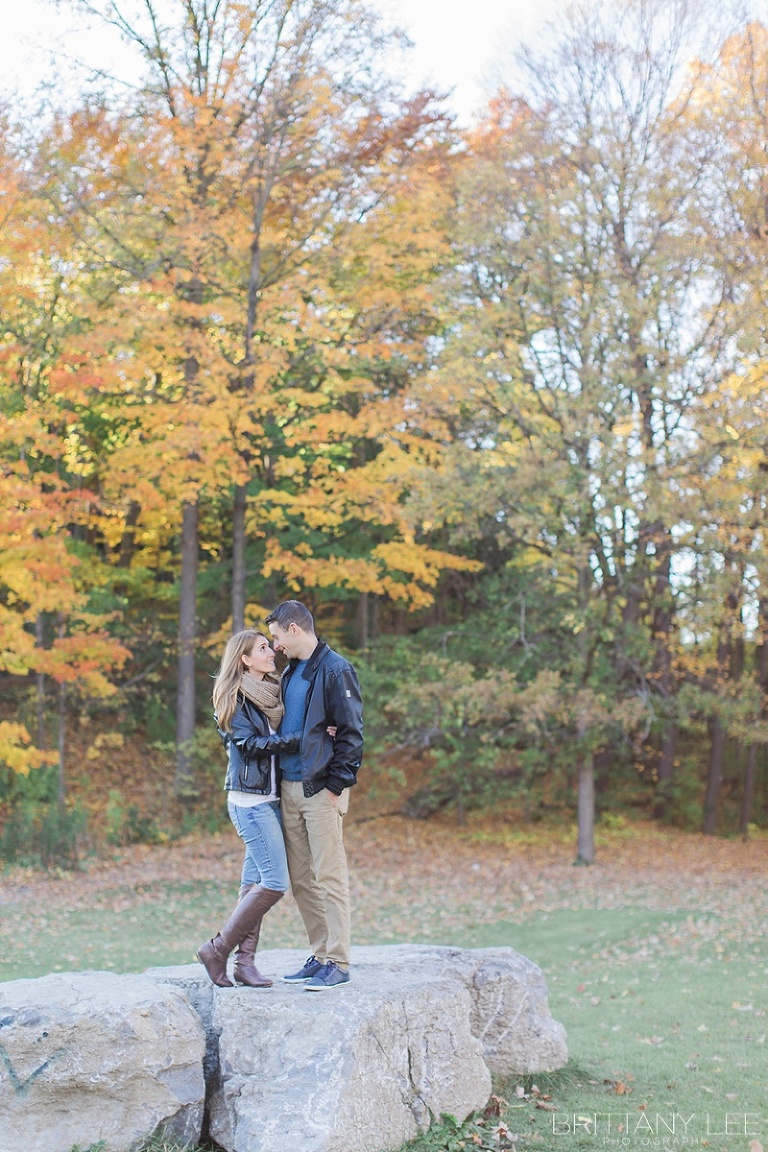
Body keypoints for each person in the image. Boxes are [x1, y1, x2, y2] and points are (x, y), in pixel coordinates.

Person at [266, 599, 363, 991]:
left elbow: (352, 734)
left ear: (294, 629)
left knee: (329, 875)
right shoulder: (291, 673)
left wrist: (335, 787)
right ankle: (320, 954)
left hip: (321, 789)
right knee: (302, 879)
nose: (274, 646)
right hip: (288, 787)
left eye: (276, 637)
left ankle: (338, 961)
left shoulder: (336, 669)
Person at [196, 629, 301, 989]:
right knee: (274, 883)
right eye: (262, 648)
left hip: (270, 799)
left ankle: (245, 963)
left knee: (253, 884)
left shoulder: (272, 693)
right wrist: (299, 740)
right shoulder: (233, 699)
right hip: (250, 803)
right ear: (244, 659)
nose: (271, 651)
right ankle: (217, 948)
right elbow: (251, 745)